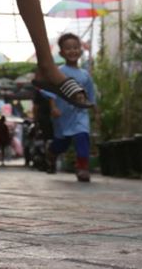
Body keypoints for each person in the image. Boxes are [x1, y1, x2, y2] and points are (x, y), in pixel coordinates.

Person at [45, 33, 98, 182]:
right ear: (61, 53)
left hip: (80, 114)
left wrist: (95, 109)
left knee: (82, 137)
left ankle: (82, 168)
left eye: (76, 47)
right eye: (68, 48)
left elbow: (90, 95)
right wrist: (53, 107)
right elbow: (51, 92)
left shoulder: (85, 75)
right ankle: (52, 152)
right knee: (62, 144)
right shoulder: (59, 72)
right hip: (63, 115)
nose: (72, 51)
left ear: (81, 51)